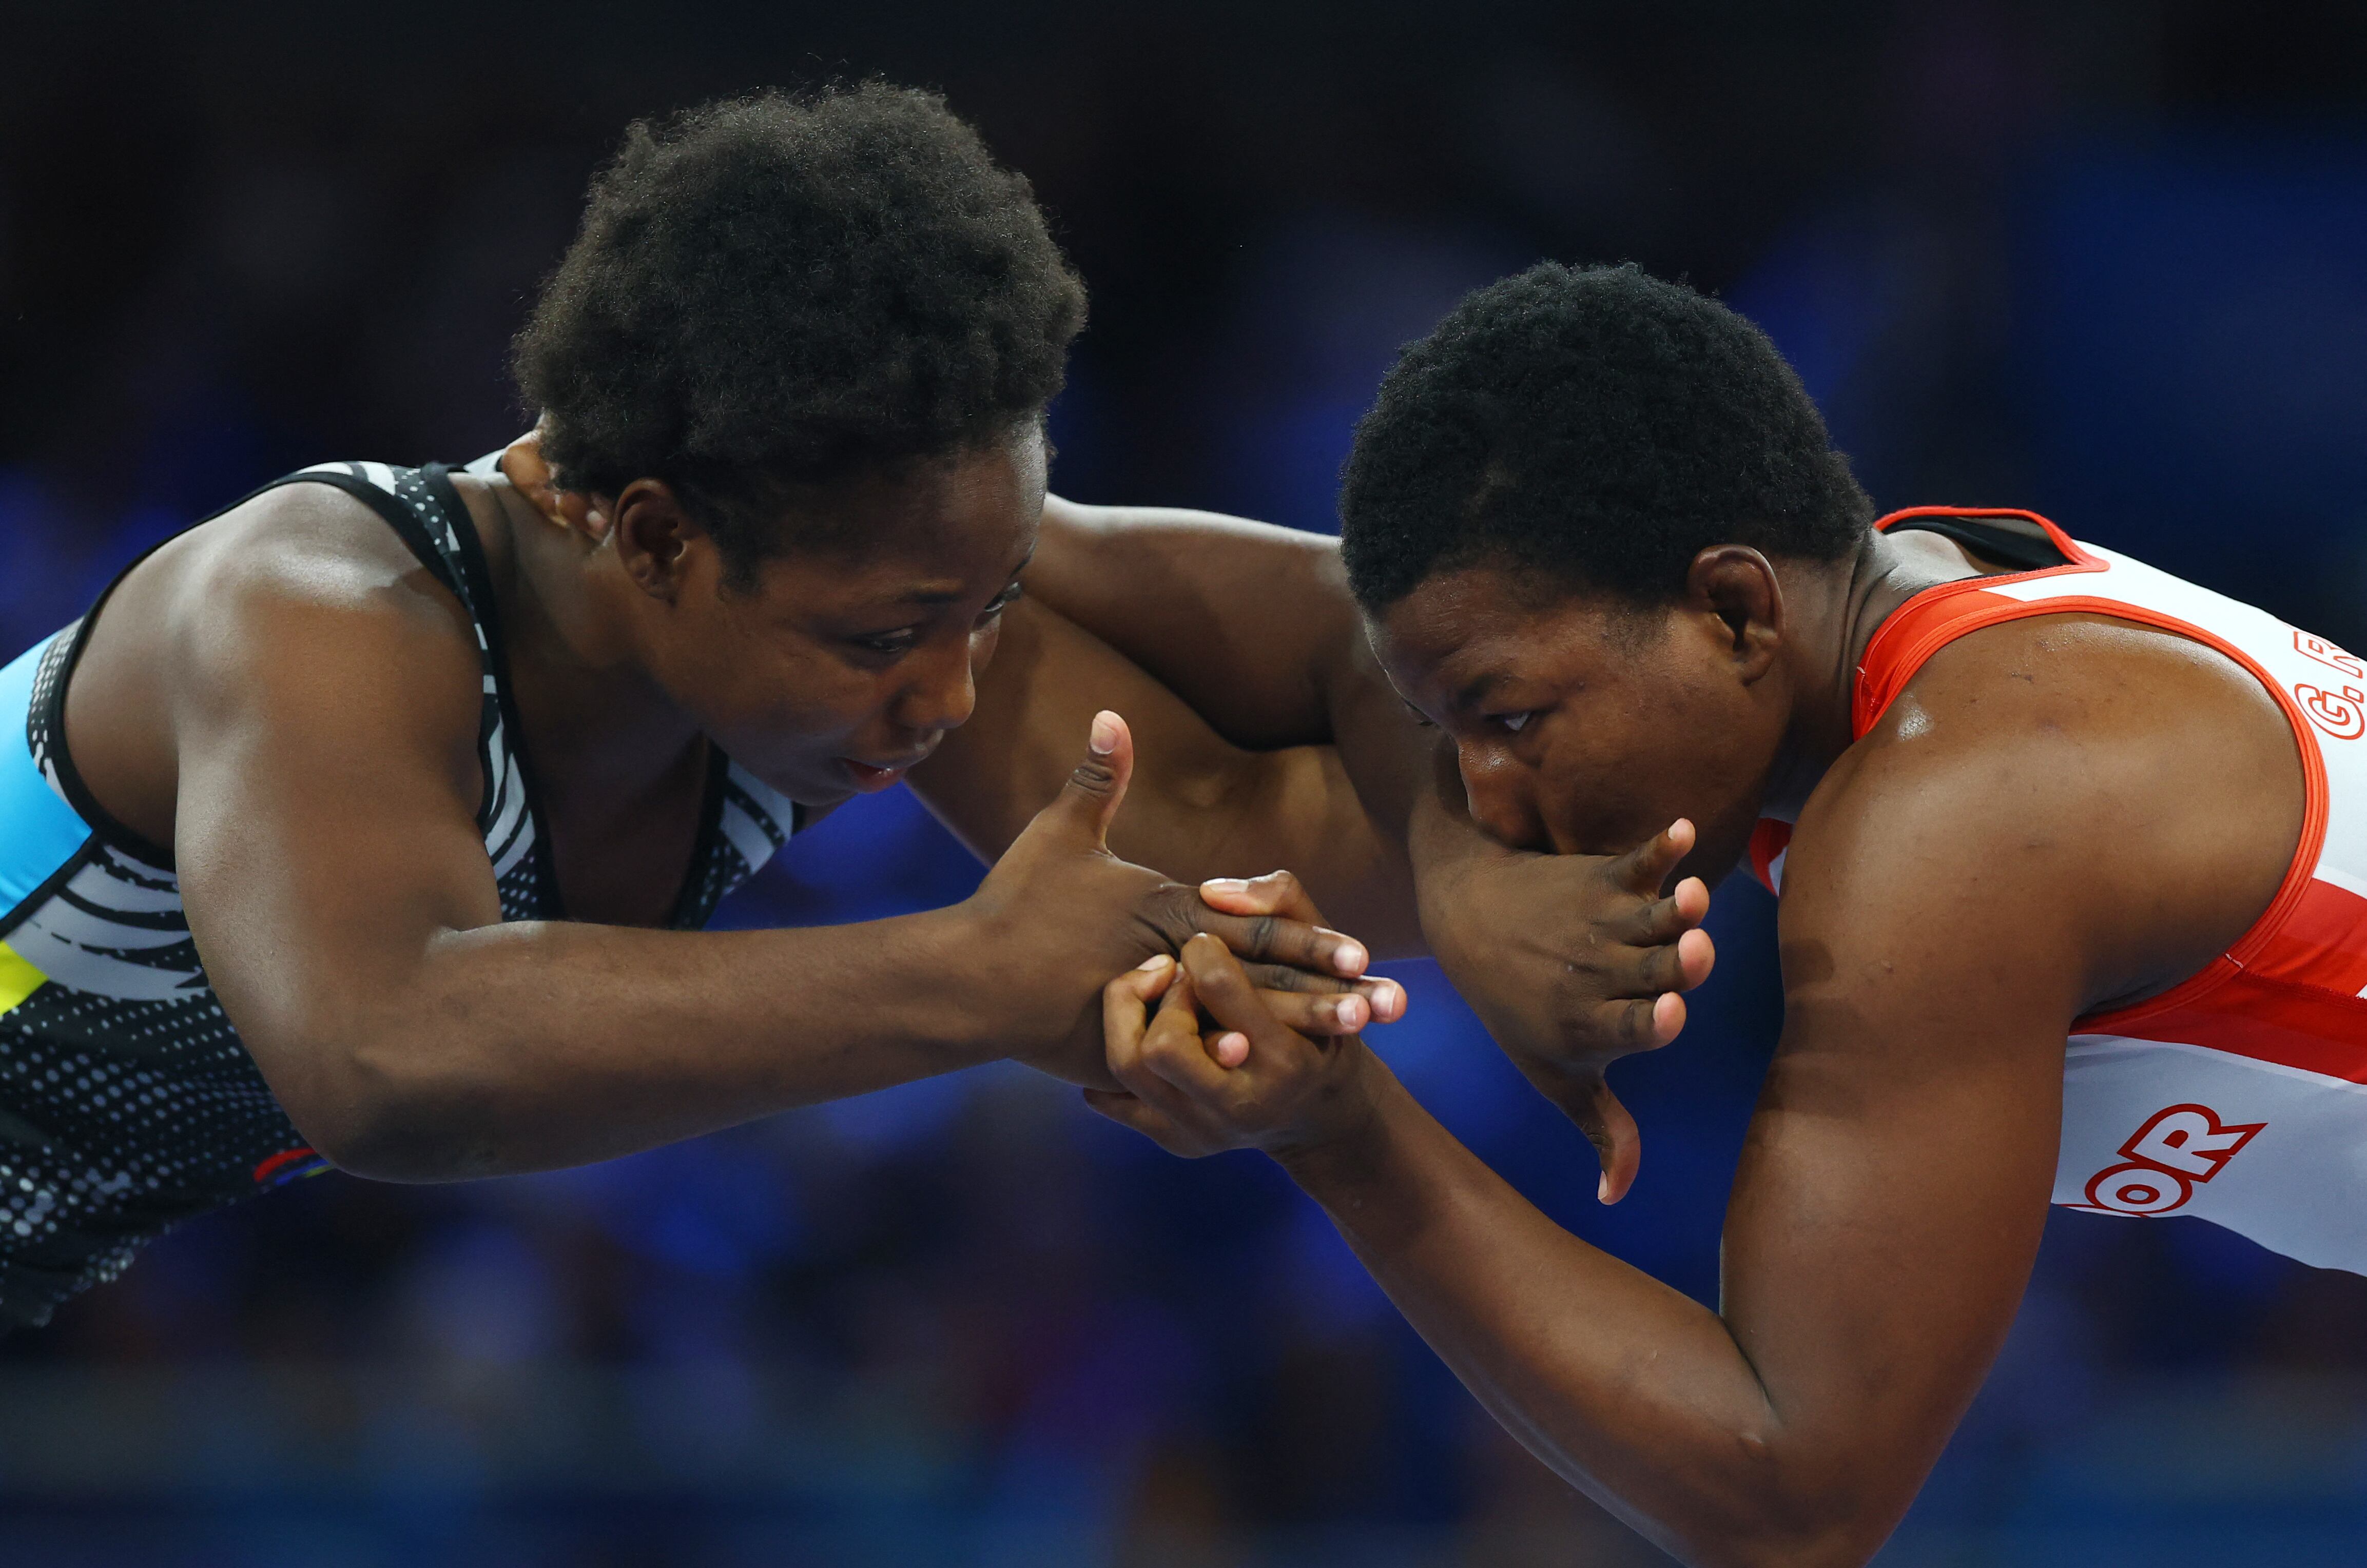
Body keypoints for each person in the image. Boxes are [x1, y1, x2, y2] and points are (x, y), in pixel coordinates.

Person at [0, 85, 1420, 1331]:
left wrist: (1505, 890)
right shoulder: (310, 605)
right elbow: (386, 1056)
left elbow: (1376, 654)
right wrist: (975, 976)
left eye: (988, 606)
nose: (950, 692)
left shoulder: (847, 583)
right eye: (887, 636)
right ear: (658, 540)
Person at [1094, 260, 2367, 1568]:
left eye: (1510, 718)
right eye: (1448, 736)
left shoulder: (1958, 810)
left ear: (1733, 610)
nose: (1480, 803)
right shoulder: (1921, 615)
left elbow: (1789, 1502)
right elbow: (1193, 630)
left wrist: (1340, 1130)